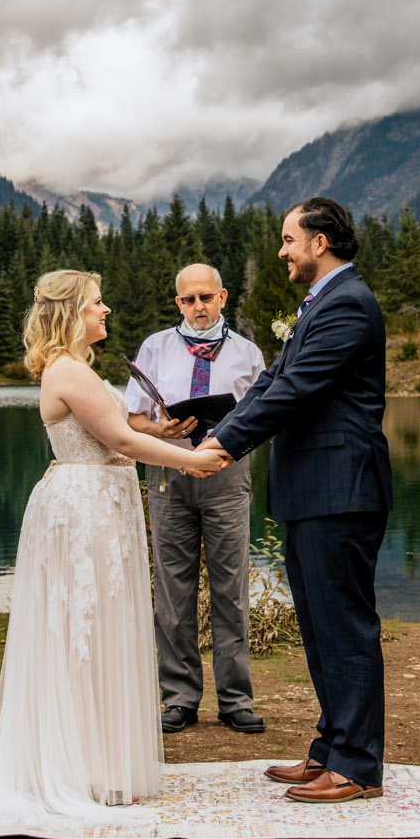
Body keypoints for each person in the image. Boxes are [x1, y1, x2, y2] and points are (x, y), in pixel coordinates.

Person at [0, 270, 230, 839]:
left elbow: (123, 431)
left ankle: (97, 761)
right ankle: (76, 766)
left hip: (101, 502)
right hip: (82, 510)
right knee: (82, 629)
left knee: (101, 627)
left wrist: (169, 432)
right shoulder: (68, 370)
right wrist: (193, 460)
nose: (106, 311)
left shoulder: (82, 369)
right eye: (97, 303)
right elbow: (122, 443)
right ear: (71, 312)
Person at [198, 197, 392, 804]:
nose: (281, 251)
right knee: (318, 627)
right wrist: (215, 434)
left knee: (345, 628)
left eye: (288, 239)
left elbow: (300, 391)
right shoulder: (321, 303)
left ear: (321, 241)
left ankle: (357, 766)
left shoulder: (350, 306)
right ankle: (332, 746)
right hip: (314, 492)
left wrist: (225, 446)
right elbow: (272, 382)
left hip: (341, 489)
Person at [124, 263, 269, 736]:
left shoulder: (248, 354)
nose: (198, 306)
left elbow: (266, 416)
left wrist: (229, 441)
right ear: (178, 303)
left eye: (206, 297)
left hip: (227, 474)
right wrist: (159, 429)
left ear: (223, 297)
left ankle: (235, 700)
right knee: (172, 588)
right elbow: (132, 420)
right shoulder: (155, 347)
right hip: (168, 471)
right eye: (189, 300)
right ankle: (180, 698)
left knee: (231, 587)